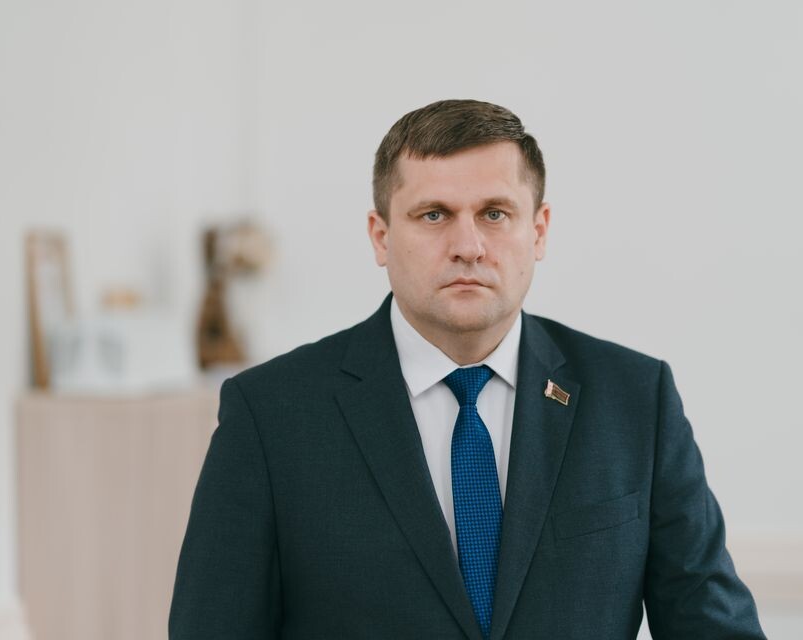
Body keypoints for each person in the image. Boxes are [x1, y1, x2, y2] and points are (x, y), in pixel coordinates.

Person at [169, 99, 767, 639]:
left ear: (539, 231)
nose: (468, 245)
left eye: (495, 214)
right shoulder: (271, 413)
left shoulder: (636, 398)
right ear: (380, 236)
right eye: (433, 215)